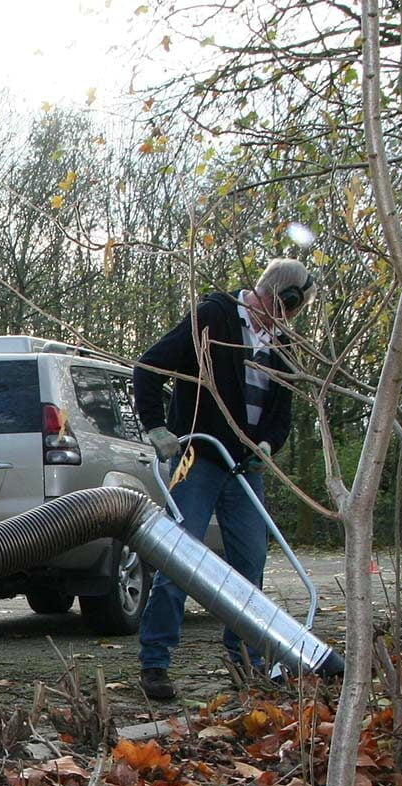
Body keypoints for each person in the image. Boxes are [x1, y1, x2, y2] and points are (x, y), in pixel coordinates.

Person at [131, 257, 313, 701]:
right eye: (293, 307)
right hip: (200, 457)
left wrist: (268, 443)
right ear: (280, 298)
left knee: (249, 566)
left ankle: (244, 660)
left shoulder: (283, 345)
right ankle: (155, 663)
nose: (292, 317)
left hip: (245, 468)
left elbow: (281, 413)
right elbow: (149, 366)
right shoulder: (212, 318)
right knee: (181, 562)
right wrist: (157, 427)